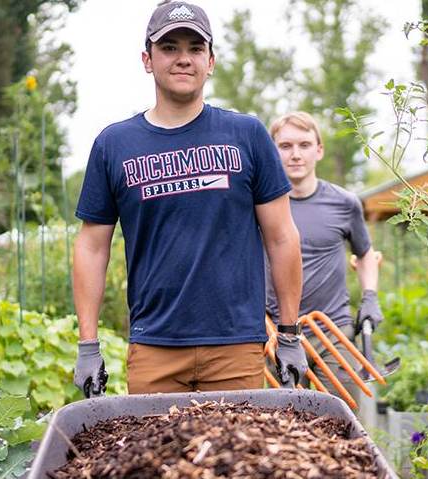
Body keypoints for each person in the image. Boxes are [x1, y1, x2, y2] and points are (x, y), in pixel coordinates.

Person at [72, 2, 307, 397]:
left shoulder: (246, 135)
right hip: (154, 349)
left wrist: (288, 334)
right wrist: (87, 346)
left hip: (236, 347)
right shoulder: (114, 144)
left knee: (240, 458)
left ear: (211, 61)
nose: (184, 59)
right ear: (147, 59)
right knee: (153, 459)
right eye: (170, 48)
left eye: (195, 48)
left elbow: (282, 237)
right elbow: (92, 247)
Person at [265, 111, 383, 400]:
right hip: (276, 333)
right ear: (272, 150)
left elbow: (365, 254)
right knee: (282, 427)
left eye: (304, 145)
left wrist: (370, 297)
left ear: (319, 150)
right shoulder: (261, 205)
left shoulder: (345, 203)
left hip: (333, 330)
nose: (295, 155)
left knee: (344, 420)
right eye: (285, 146)